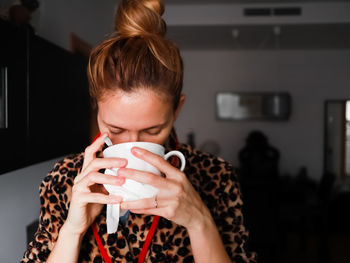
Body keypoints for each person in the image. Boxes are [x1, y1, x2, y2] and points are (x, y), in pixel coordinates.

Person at [21, 0, 257, 262]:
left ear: (176, 111)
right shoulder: (64, 179)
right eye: (116, 129)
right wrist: (73, 229)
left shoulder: (216, 178)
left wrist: (199, 222)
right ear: (96, 109)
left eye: (153, 129)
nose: (133, 145)